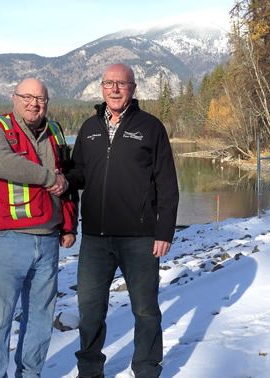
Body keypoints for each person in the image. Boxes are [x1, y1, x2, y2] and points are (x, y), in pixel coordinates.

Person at [67, 63, 179, 378]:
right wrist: (58, 172)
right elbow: (79, 176)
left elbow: (168, 185)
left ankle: (146, 369)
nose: (115, 89)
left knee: (145, 311)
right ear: (101, 88)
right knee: (89, 311)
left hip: (140, 237)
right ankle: (89, 370)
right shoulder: (89, 129)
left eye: (122, 83)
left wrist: (164, 231)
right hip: (95, 239)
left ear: (133, 88)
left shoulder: (151, 127)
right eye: (109, 83)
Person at [0, 78, 78, 378]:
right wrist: (47, 178)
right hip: (5, 241)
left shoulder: (55, 130)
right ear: (14, 98)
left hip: (47, 241)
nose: (34, 103)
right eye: (28, 97)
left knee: (41, 321)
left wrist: (69, 225)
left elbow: (67, 180)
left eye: (41, 98)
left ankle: (30, 374)